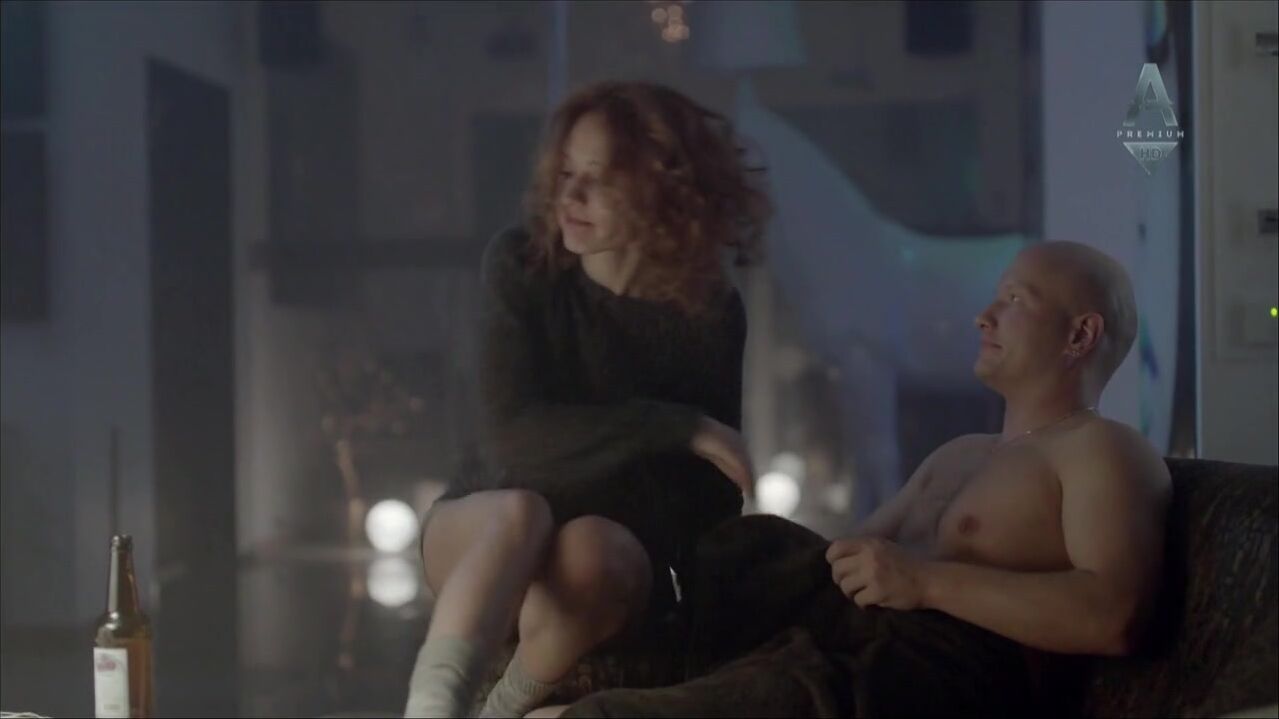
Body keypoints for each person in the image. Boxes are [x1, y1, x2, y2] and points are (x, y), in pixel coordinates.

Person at [551, 241, 1172, 718]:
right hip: (846, 645)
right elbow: (844, 565)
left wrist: (923, 581)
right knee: (747, 549)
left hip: (939, 678)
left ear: (1080, 334)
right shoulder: (961, 454)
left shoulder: (1103, 450)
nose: (984, 317)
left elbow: (1112, 615)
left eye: (1015, 301)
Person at [404, 81, 771, 718]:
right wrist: (677, 428)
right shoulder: (523, 263)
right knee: (520, 512)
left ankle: (499, 712)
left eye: (597, 179)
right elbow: (514, 440)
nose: (569, 197)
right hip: (485, 528)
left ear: (661, 187)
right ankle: (432, 710)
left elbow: (711, 494)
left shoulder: (709, 310)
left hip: (599, 563)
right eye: (566, 173)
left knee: (597, 547)